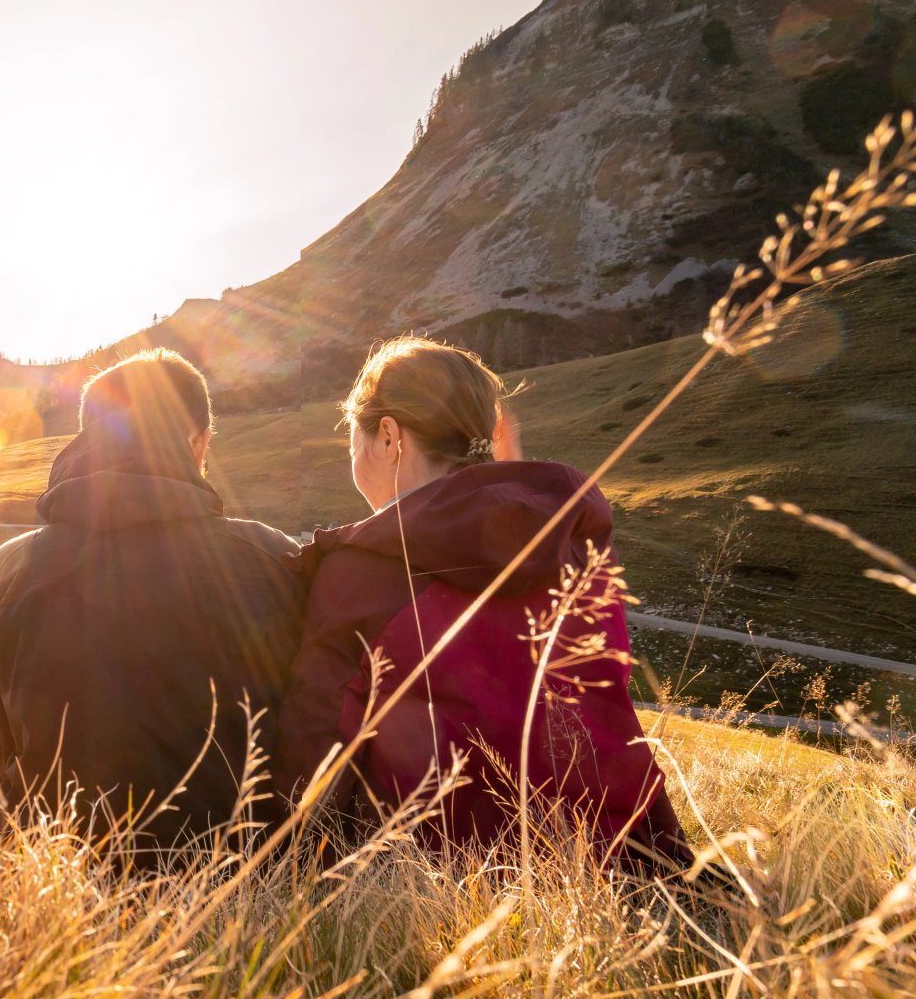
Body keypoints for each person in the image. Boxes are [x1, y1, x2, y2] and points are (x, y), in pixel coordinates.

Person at [278, 336, 689, 869]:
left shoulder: (364, 567)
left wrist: (283, 863)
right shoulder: (565, 537)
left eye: (352, 440)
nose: (351, 457)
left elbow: (318, 742)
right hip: (620, 848)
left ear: (387, 436)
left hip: (447, 873)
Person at [0, 349, 306, 865]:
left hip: (52, 892)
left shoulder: (1, 573)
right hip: (244, 892)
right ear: (199, 442)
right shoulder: (273, 559)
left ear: (85, 439)